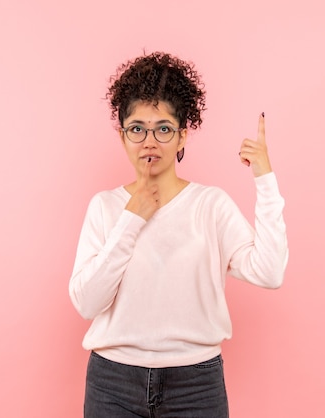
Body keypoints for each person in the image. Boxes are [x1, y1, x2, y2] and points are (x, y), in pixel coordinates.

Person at [69, 51, 289, 417]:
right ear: (123, 136)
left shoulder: (210, 205)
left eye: (163, 128)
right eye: (137, 128)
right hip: (113, 384)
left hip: (196, 385)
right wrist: (131, 219)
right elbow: (87, 303)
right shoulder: (105, 207)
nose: (149, 141)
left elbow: (270, 272)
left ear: (182, 134)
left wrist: (264, 179)